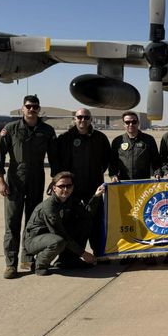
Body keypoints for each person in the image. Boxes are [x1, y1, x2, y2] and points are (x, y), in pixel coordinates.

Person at [0, 95, 58, 279]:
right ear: (22, 108)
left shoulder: (47, 130)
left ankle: (28, 259)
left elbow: (54, 157)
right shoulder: (11, 129)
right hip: (15, 178)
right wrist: (0, 180)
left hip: (37, 178)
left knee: (32, 222)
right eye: (28, 106)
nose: (32, 109)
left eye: (35, 107)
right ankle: (10, 264)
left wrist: (55, 179)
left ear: (39, 109)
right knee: (12, 222)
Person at [23, 172, 105, 275]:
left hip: (53, 236)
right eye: (61, 186)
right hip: (35, 240)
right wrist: (83, 253)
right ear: (54, 188)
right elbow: (60, 234)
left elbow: (86, 215)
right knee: (58, 241)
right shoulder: (49, 206)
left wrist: (96, 196)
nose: (65, 189)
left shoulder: (70, 200)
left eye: (68, 186)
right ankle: (40, 265)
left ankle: (68, 260)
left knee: (85, 223)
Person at [55, 108, 111, 254]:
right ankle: (70, 255)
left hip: (94, 188)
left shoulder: (100, 138)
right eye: (79, 117)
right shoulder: (65, 139)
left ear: (90, 119)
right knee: (72, 222)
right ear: (75, 118)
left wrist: (96, 174)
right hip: (71, 189)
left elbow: (106, 161)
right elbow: (57, 163)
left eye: (86, 117)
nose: (82, 120)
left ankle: (99, 252)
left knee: (96, 221)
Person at [109, 111, 161, 181]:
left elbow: (156, 160)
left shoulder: (149, 139)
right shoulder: (117, 141)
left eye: (134, 122)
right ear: (124, 124)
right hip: (124, 183)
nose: (131, 124)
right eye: (127, 122)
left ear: (138, 123)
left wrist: (157, 173)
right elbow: (113, 162)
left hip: (143, 183)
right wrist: (113, 175)